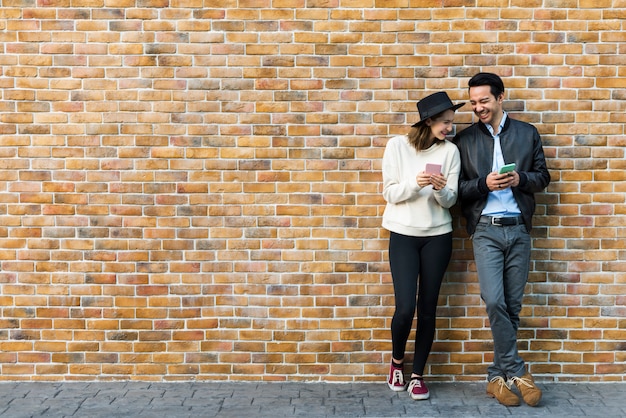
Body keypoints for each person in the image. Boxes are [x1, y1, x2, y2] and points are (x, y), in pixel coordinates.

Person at [453, 73, 551, 407]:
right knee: (495, 301)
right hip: (486, 229)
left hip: (518, 228)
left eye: (484, 100)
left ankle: (497, 377)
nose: (478, 107)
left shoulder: (527, 133)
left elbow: (543, 178)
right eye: (474, 102)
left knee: (512, 306)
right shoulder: (464, 140)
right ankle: (518, 371)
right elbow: (457, 191)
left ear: (500, 97)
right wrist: (484, 184)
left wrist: (520, 178)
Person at [382, 92, 464, 400]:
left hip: (438, 235)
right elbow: (390, 193)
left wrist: (441, 191)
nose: (449, 129)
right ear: (428, 121)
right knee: (405, 308)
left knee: (428, 310)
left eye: (451, 123)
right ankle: (397, 363)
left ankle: (417, 375)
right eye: (445, 123)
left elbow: (451, 199)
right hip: (403, 234)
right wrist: (417, 182)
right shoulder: (397, 146)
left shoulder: (451, 152)